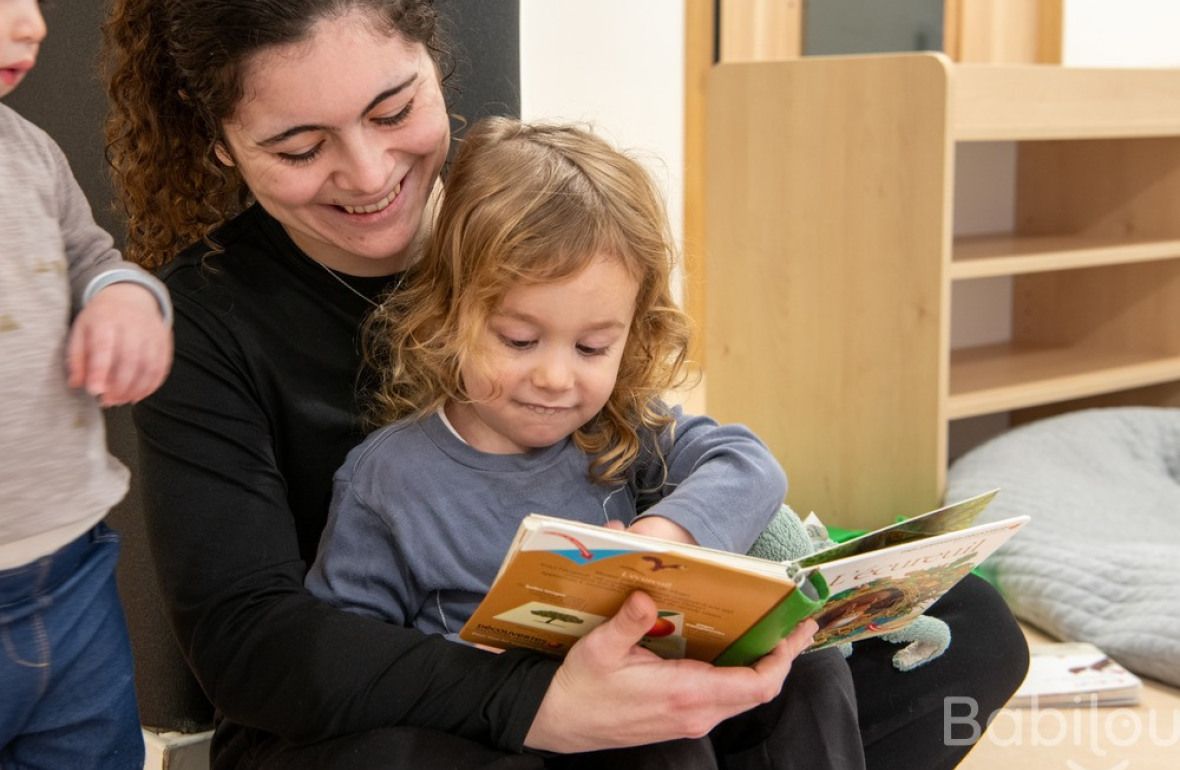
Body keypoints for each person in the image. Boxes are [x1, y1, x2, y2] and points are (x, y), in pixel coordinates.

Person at [103, 1, 1028, 769]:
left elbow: (661, 447)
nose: (370, 173)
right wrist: (541, 702)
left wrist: (694, 569)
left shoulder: (514, 213)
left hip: (615, 667)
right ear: (220, 145)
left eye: (393, 112)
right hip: (394, 700)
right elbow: (252, 647)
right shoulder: (203, 321)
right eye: (301, 149)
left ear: (434, 65)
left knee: (966, 629)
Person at [305, 117, 824, 766]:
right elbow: (347, 651)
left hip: (647, 699)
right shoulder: (386, 480)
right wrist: (475, 673)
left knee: (815, 677)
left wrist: (664, 542)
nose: (554, 377)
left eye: (592, 346)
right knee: (660, 747)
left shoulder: (619, 429)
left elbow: (749, 463)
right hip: (507, 735)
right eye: (519, 340)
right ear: (447, 314)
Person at [1, 1, 173, 768]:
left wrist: (125, 296)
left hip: (71, 577)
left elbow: (91, 254)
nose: (32, 25)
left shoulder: (29, 151)